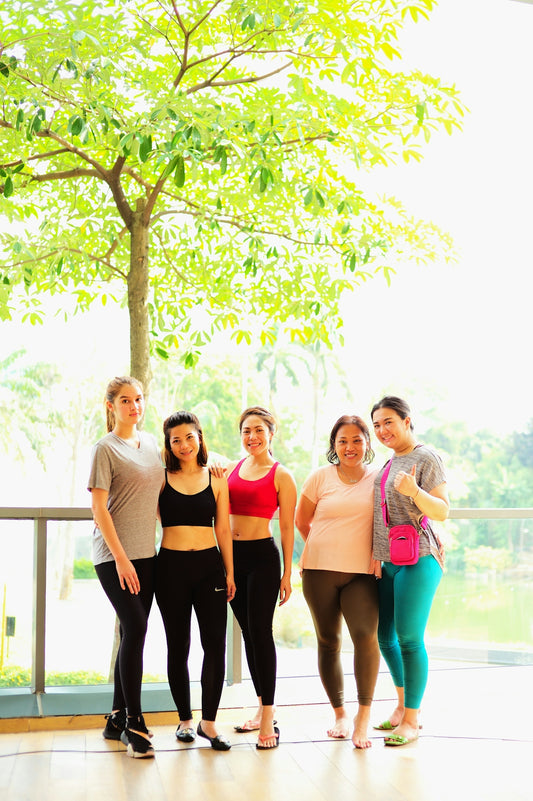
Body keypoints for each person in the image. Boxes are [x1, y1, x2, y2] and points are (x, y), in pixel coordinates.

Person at [88, 376, 164, 759]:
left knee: (130, 632)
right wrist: (120, 558)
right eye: (125, 400)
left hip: (146, 555)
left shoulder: (151, 443)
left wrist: (215, 464)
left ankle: (115, 718)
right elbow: (99, 508)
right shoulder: (105, 448)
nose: (134, 406)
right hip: (113, 556)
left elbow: (179, 470)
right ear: (110, 405)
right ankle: (135, 721)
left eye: (139, 400)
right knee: (136, 627)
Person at [295, 415, 381, 749]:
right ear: (334, 445)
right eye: (343, 441)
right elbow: (303, 522)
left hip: (361, 573)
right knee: (329, 641)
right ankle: (340, 714)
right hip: (318, 572)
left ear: (367, 443)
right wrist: (324, 548)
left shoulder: (378, 478)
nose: (350, 447)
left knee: (365, 635)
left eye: (357, 440)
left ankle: (363, 717)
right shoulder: (319, 477)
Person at [371, 396, 449, 747]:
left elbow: (443, 511)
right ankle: (401, 707)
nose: (382, 430)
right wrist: (376, 554)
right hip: (389, 561)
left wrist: (415, 491)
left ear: (406, 420)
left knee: (409, 639)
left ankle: (413, 720)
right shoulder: (390, 462)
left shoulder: (426, 457)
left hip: (419, 558)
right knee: (384, 637)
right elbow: (381, 514)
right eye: (376, 425)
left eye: (388, 421)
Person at [155, 410, 236, 752]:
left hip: (209, 568)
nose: (184, 444)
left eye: (190, 437)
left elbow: (223, 529)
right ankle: (185, 719)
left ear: (200, 437)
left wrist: (229, 572)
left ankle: (209, 722)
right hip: (170, 568)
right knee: (179, 646)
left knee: (215, 645)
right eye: (176, 440)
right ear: (168, 445)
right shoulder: (159, 477)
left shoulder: (216, 478)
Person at [227, 406, 297, 749]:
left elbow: (286, 528)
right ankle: (260, 707)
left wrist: (287, 573)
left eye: (258, 430)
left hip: (263, 559)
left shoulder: (282, 475)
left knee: (260, 632)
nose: (251, 437)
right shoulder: (232, 469)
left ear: (271, 433)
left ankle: (269, 717)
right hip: (233, 560)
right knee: (248, 635)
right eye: (245, 431)